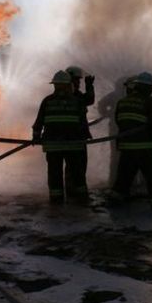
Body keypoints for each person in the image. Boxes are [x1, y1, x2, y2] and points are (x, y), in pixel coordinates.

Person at [112, 71, 152, 209]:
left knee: (123, 178)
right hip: (147, 149)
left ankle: (115, 204)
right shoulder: (149, 102)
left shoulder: (122, 102)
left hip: (127, 148)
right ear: (148, 88)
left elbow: (119, 121)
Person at [32, 70, 89, 205]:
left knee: (54, 174)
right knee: (77, 174)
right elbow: (82, 124)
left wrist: (36, 137)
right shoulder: (76, 101)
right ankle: (82, 200)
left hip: (53, 145)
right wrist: (83, 138)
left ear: (55, 85)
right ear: (69, 85)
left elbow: (39, 122)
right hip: (73, 145)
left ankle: (56, 200)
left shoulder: (47, 101)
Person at [65, 66, 95, 201]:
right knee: (77, 167)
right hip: (76, 138)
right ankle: (78, 195)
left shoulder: (68, 94)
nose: (78, 83)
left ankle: (71, 193)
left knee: (73, 168)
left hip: (73, 137)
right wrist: (90, 86)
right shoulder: (73, 96)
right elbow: (89, 100)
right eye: (77, 80)